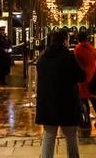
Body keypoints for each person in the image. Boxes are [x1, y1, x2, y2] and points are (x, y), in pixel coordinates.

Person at [36, 28, 84, 158]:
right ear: (64, 40)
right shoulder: (68, 56)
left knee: (49, 136)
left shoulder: (43, 57)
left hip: (48, 103)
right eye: (68, 39)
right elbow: (81, 76)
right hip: (67, 103)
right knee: (71, 136)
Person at [74, 30, 96, 130]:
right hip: (92, 77)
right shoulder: (92, 49)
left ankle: (86, 120)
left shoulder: (78, 49)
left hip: (82, 78)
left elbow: (76, 63)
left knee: (83, 100)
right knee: (94, 100)